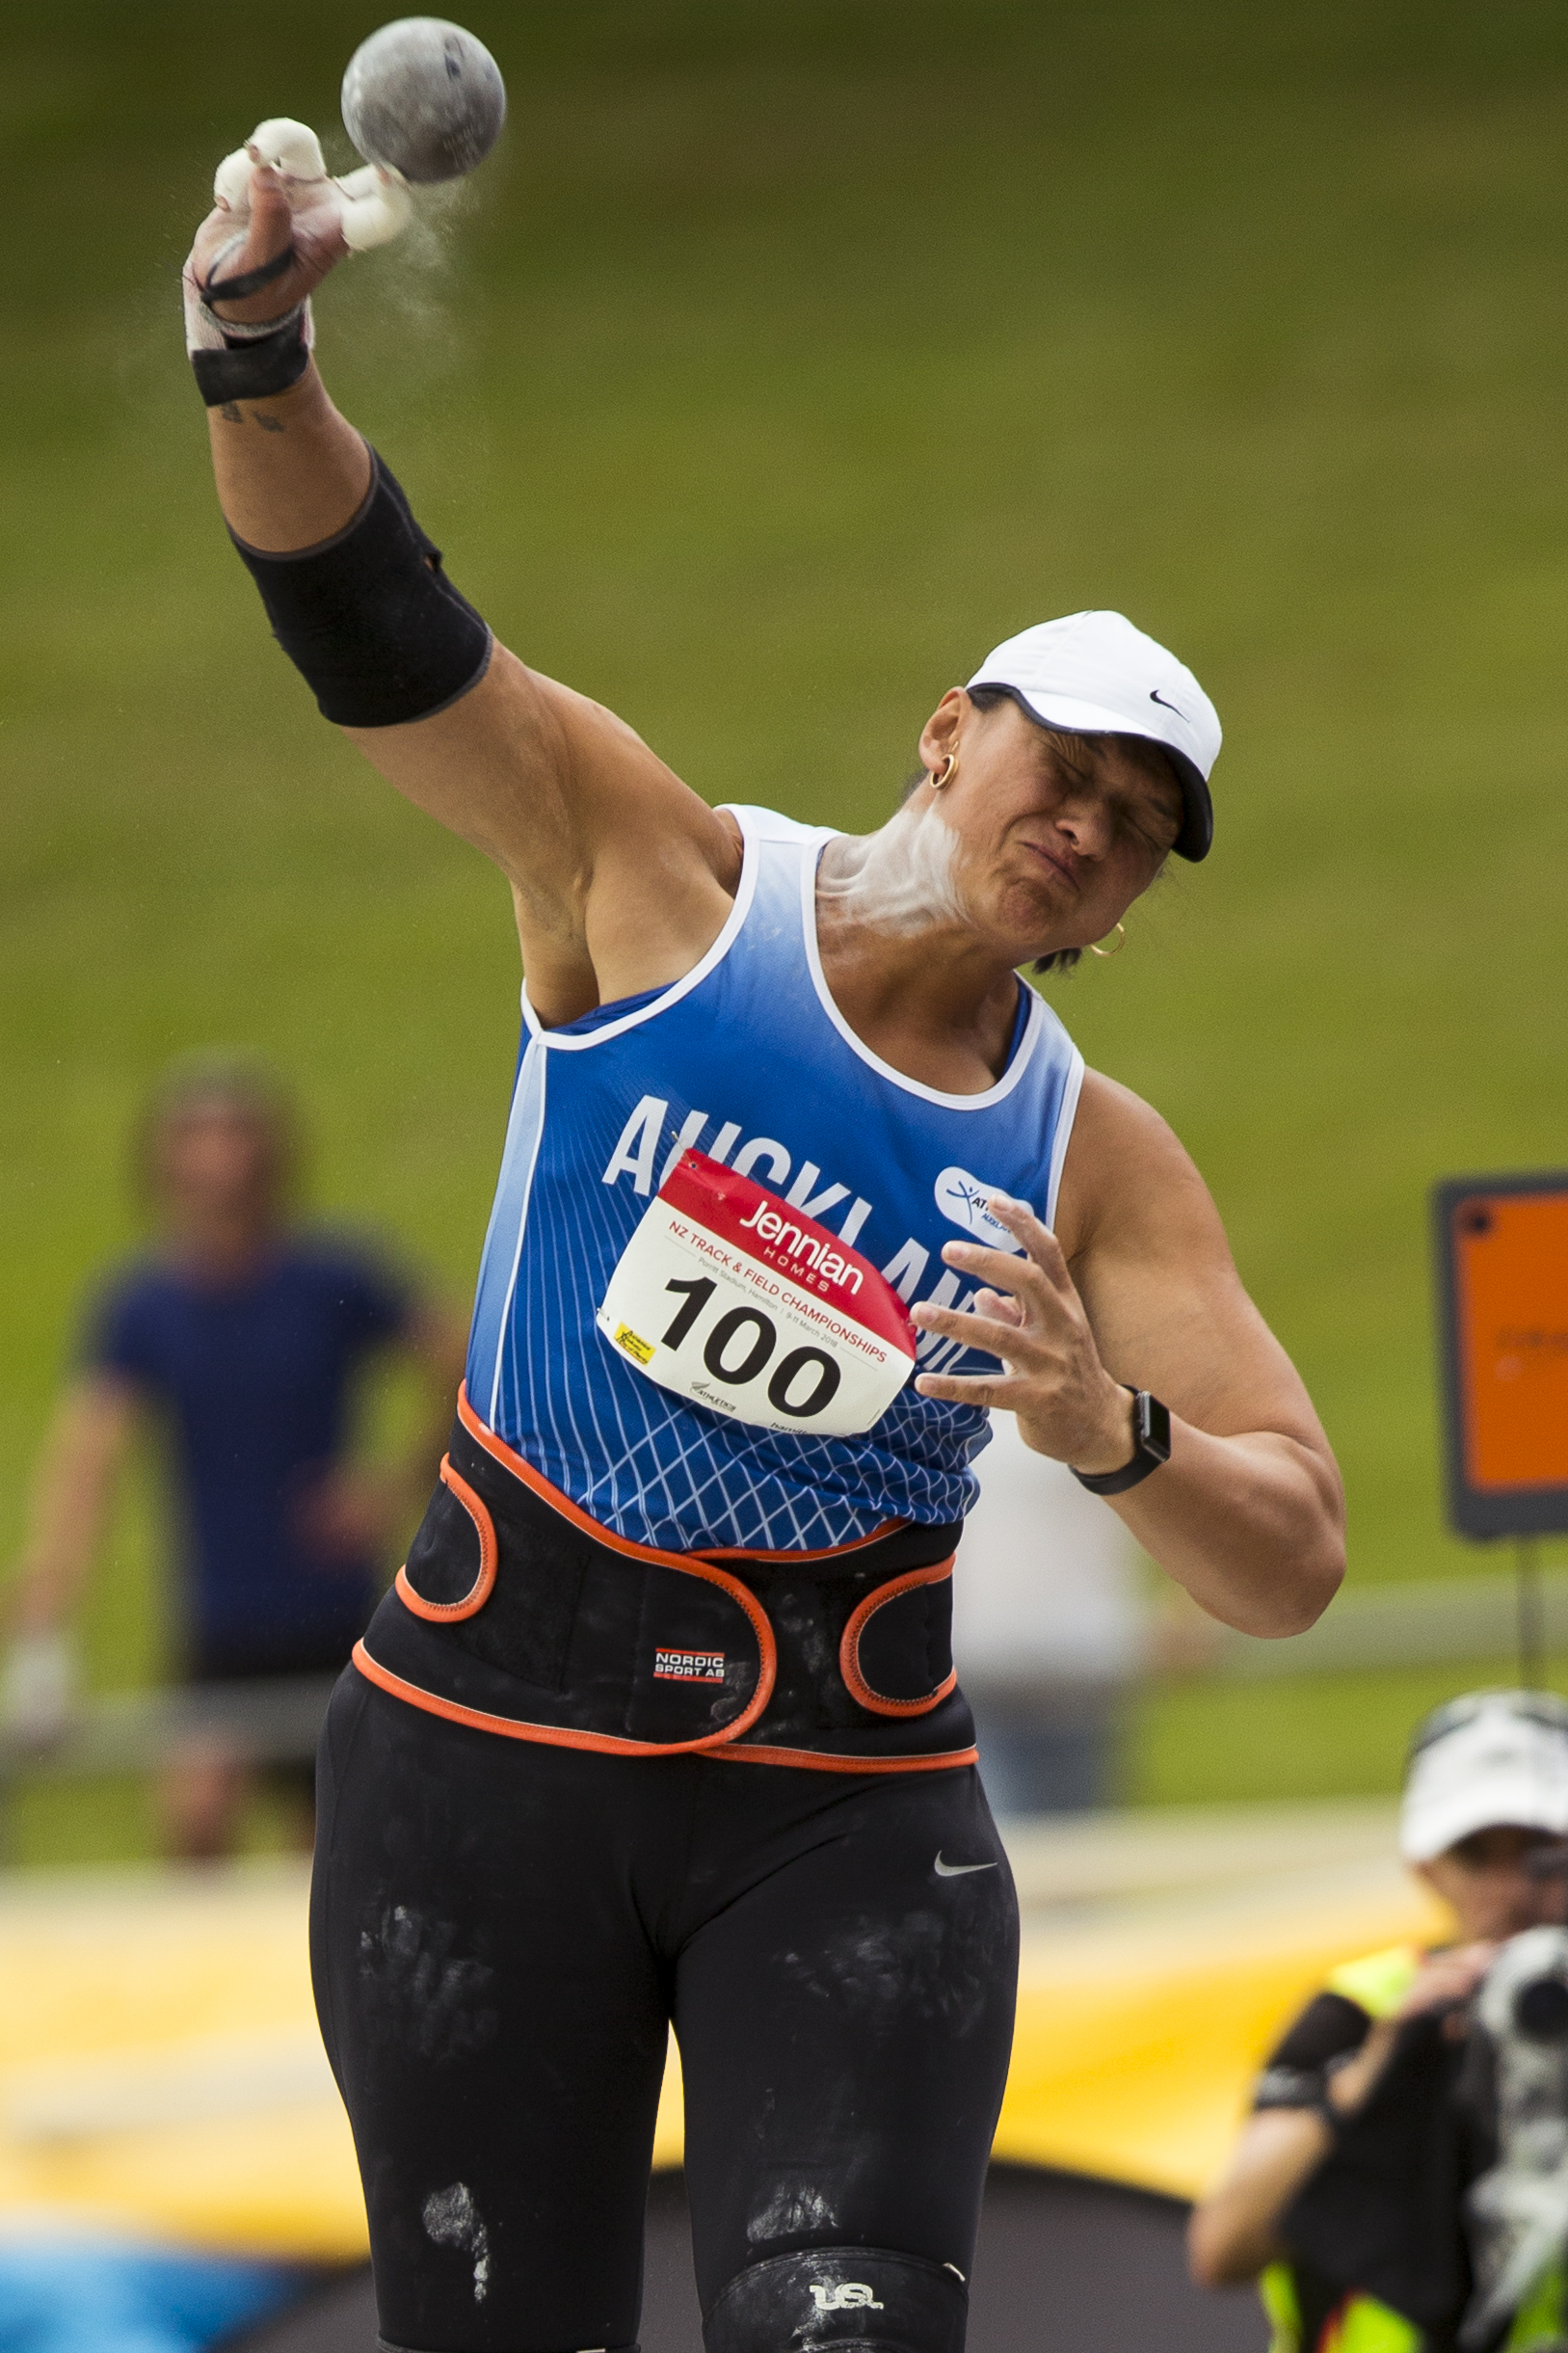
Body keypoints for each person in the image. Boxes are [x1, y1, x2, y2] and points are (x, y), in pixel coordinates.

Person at [181, 142, 1343, 2353]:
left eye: (1137, 817)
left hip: (836, 1806)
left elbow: (1285, 1553)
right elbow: (389, 639)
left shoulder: (1091, 1158)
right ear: (944, 728)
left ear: (1129, 897)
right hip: (484, 1747)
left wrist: (1112, 1429)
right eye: (1061, 759)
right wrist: (254, 360)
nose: (1088, 814)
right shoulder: (658, 882)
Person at [4, 1053, 464, 1859]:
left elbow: (457, 1359)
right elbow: (88, 1462)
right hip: (221, 1619)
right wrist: (47, 1621)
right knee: (195, 1819)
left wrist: (390, 1487)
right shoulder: (145, 1307)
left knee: (328, 1845)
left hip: (335, 1612)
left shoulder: (330, 1277)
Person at [1189, 1689, 1568, 2353]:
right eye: (1475, 1853)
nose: (1511, 1887)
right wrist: (1375, 2070)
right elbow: (1224, 2247)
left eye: (1539, 1850)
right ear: (1426, 1869)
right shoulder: (1364, 2006)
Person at [953, 1409, 1145, 1813]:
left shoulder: (1094, 1380)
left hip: (1077, 1668)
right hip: (972, 1668)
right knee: (997, 1841)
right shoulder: (931, 1383)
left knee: (1070, 1851)